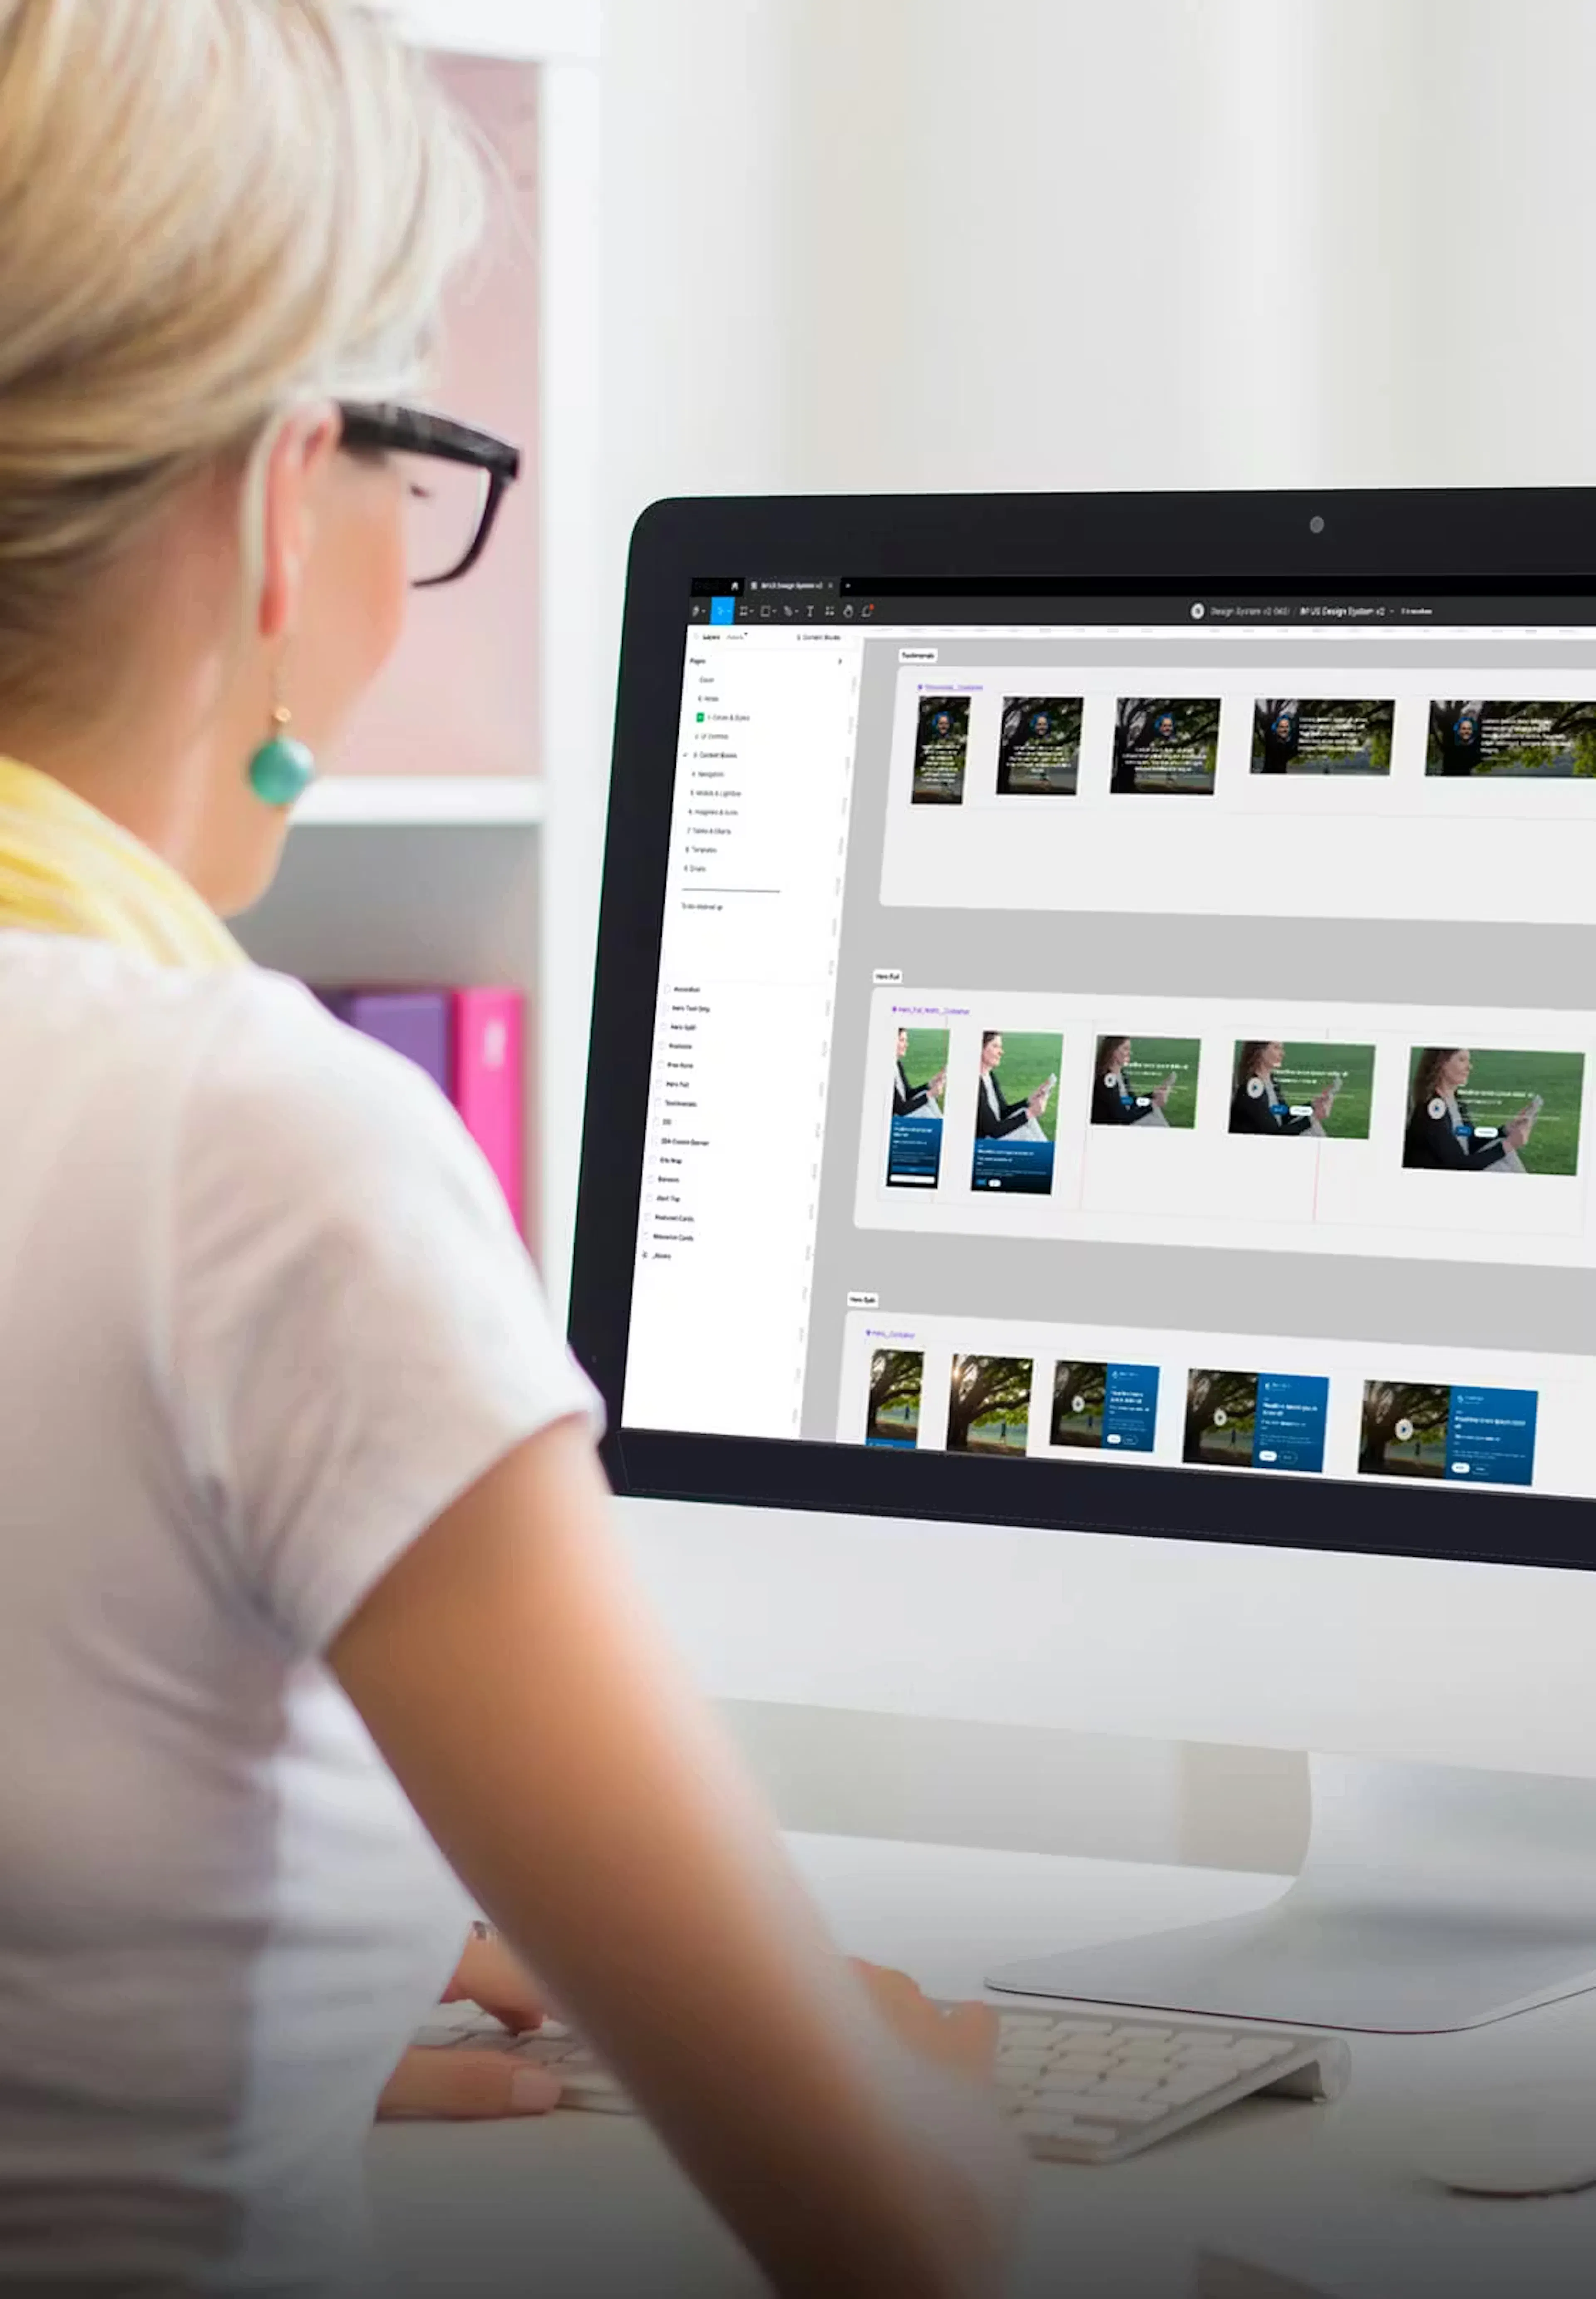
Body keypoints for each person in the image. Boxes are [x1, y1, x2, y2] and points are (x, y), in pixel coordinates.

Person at [0, 8, 1020, 2296]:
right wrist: (944, 2105)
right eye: (420, 457)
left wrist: (263, 1987)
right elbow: (899, 2237)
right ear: (284, 496)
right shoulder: (248, 1145)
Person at [1404, 1049, 1534, 1172]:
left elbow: (1469, 1141)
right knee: (1504, 1157)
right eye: (1462, 1060)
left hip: (1460, 1167)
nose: (1469, 1067)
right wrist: (1510, 1145)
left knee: (1503, 1150)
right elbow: (1457, 1164)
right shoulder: (1433, 1110)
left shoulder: (1455, 1099)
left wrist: (1506, 1130)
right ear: (1442, 1063)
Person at [1229, 1041, 1333, 1137]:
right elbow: (1275, 1135)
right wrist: (1313, 1118)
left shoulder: (1272, 1081)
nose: (1283, 1054)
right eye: (1277, 1048)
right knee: (1313, 1129)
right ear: (1260, 1052)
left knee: (1314, 1128)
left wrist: (1312, 1105)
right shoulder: (1252, 1091)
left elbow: (1284, 1115)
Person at [974, 1031, 1051, 1139]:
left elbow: (1003, 1113)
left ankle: (1047, 1151)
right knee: (1025, 1134)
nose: (1001, 1052)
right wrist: (1031, 1113)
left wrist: (1029, 1101)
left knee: (1024, 1114)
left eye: (1000, 1047)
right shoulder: (974, 1083)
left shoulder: (990, 1076)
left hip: (994, 1135)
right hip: (984, 1143)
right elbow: (993, 1130)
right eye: (995, 1046)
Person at [1091, 1035, 1172, 1127]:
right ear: (1113, 1052)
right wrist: (1153, 1104)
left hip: (1125, 1118)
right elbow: (1123, 1118)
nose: (1129, 1053)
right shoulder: (1106, 1081)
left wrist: (1152, 1095)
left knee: (1156, 1114)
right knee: (1156, 1118)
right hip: (1115, 1126)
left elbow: (1129, 1101)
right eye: (1126, 1049)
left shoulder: (1122, 1074)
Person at [893, 1025, 946, 1118]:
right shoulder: (886, 1072)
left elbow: (908, 1094)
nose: (907, 1045)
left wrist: (930, 1084)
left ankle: (942, 1122)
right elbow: (901, 1110)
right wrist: (930, 1094)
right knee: (926, 1110)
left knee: (927, 1096)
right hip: (896, 1121)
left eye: (906, 1041)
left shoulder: (898, 1065)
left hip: (903, 1112)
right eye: (902, 1040)